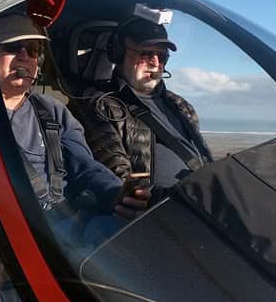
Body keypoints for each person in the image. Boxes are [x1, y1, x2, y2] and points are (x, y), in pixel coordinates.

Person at [0, 12, 150, 220]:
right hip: (14, 230)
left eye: (32, 50)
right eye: (12, 47)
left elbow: (85, 166)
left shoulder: (52, 110)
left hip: (69, 223)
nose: (24, 56)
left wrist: (114, 192)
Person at [71, 16, 213, 189]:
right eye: (146, 54)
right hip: (156, 209)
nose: (155, 63)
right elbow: (118, 177)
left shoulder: (180, 105)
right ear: (118, 53)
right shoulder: (101, 105)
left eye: (161, 56)